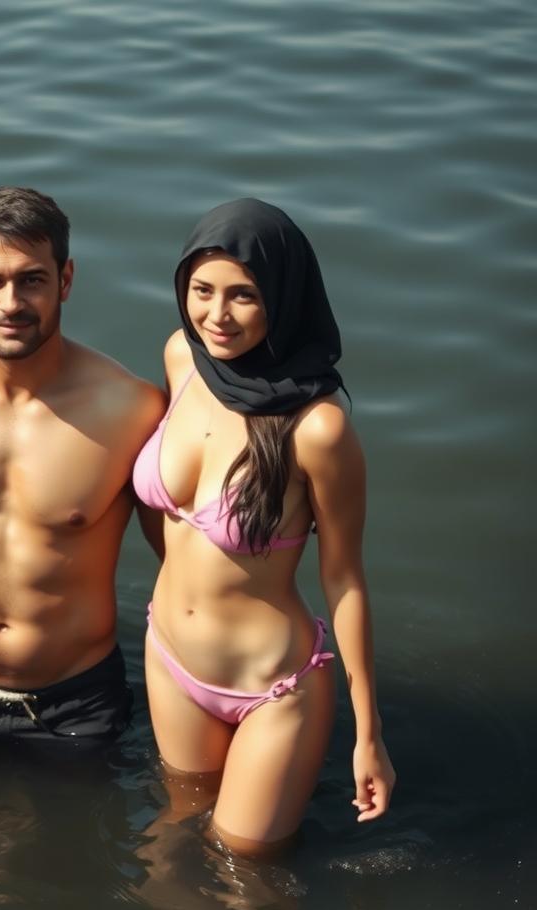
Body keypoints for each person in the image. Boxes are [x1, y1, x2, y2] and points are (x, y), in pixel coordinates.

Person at [133, 198, 395, 855]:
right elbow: (172, 518)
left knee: (248, 872)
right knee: (176, 842)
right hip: (168, 659)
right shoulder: (182, 361)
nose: (215, 316)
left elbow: (345, 579)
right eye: (201, 291)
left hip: (272, 689)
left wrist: (369, 734)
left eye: (243, 296)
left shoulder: (319, 429)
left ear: (282, 296)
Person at [0, 185, 165, 742]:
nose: (11, 303)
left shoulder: (131, 409)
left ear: (65, 280)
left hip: (78, 706)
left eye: (32, 280)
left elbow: (185, 563)